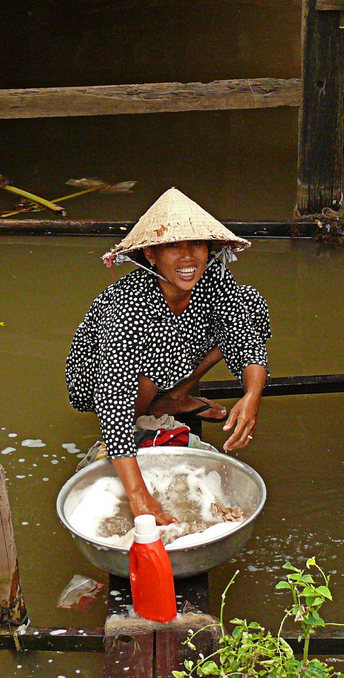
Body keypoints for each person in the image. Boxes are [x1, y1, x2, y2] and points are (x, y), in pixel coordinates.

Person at [66, 188, 271, 525]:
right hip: (97, 380)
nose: (188, 258)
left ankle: (174, 396)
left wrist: (252, 395)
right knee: (160, 345)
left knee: (250, 305)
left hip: (167, 358)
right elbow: (112, 394)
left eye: (197, 245)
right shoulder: (128, 306)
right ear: (151, 253)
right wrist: (139, 497)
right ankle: (146, 411)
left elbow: (242, 334)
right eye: (174, 245)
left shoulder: (213, 278)